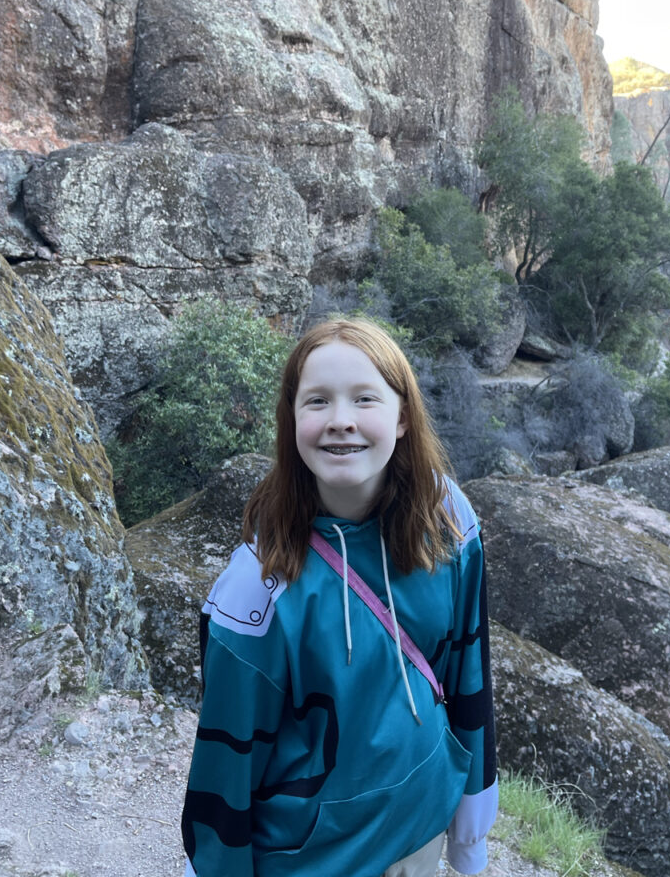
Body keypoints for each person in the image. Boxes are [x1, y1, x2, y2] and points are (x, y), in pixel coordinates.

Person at [181, 317, 498, 877]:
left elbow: (469, 671)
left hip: (418, 833)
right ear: (293, 419)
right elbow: (225, 768)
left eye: (365, 398)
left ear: (403, 416)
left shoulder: (448, 521)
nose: (341, 422)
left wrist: (471, 824)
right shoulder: (256, 592)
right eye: (318, 401)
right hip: (313, 862)